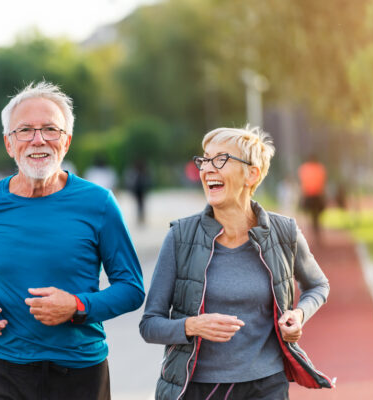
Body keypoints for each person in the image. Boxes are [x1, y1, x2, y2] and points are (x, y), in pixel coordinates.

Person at [0, 81, 145, 400]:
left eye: (50, 129)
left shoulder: (99, 203)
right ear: (9, 144)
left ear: (66, 141)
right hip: (2, 372)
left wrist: (77, 306)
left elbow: (132, 288)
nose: (38, 140)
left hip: (79, 374)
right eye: (25, 130)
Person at [140, 126, 333, 400]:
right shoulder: (180, 237)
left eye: (220, 159)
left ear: (251, 174)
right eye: (204, 160)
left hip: (267, 385)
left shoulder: (284, 232)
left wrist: (299, 315)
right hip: (198, 388)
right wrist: (192, 326)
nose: (207, 168)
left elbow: (318, 285)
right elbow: (149, 324)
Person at [297, 154, 327, 241]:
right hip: (318, 196)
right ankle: (316, 229)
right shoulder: (320, 168)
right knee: (317, 216)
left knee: (310, 214)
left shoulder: (304, 168)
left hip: (309, 196)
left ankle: (313, 229)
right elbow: (323, 183)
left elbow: (302, 183)